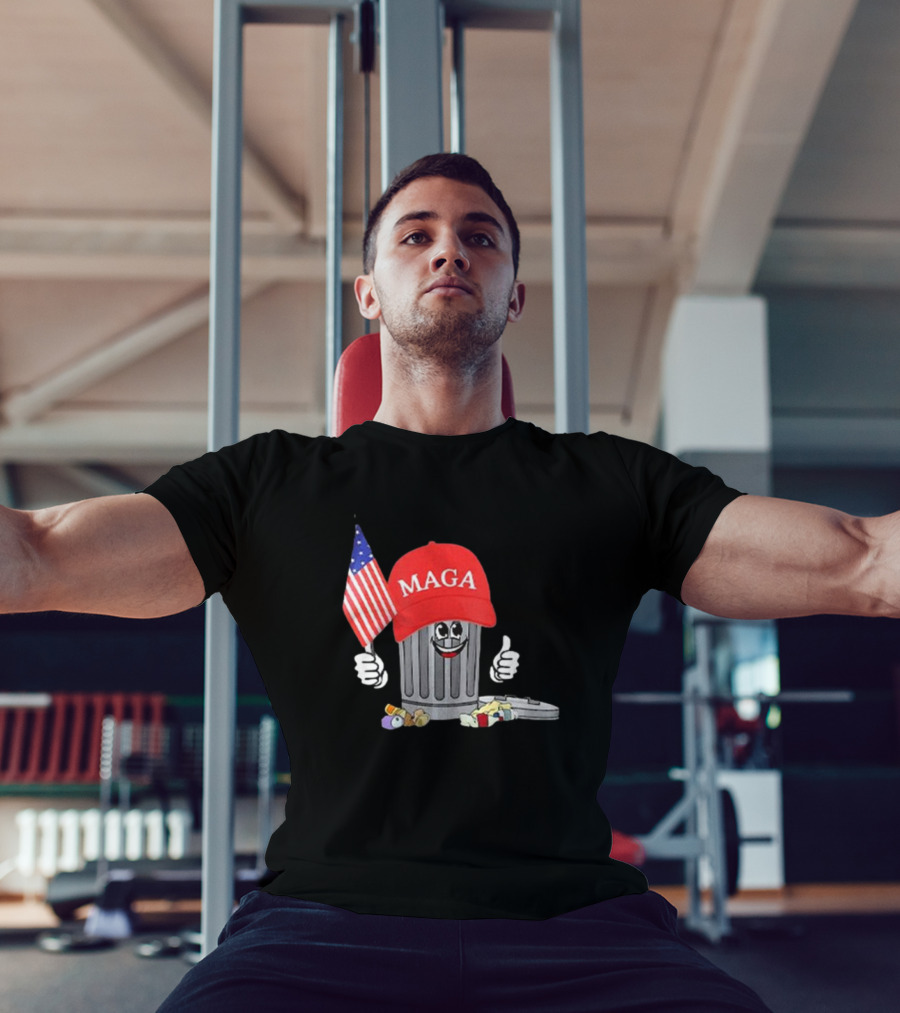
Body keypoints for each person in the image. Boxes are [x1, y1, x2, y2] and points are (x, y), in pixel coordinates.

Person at [4, 153, 898, 1012]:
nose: (449, 251)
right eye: (416, 235)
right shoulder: (265, 485)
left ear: (515, 295)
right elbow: (41, 553)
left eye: (479, 236)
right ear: (368, 293)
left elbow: (860, 558)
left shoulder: (612, 483)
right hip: (319, 925)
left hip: (580, 929)